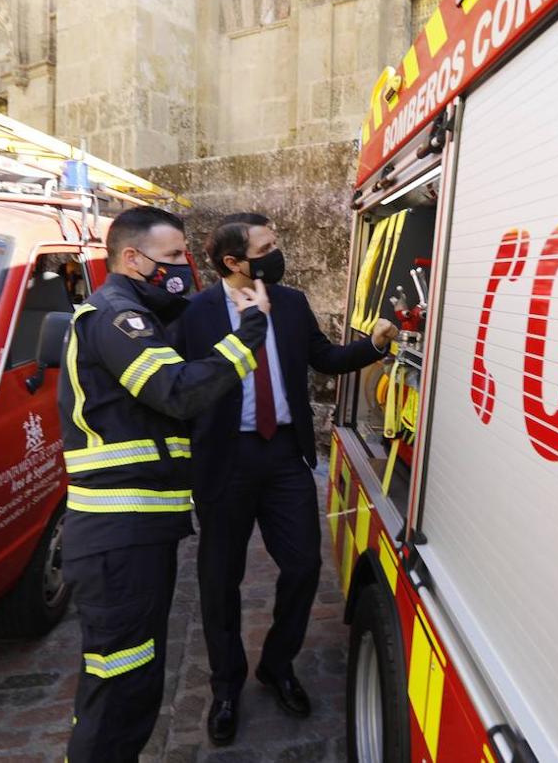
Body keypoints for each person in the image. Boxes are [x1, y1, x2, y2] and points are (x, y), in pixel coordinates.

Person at [175, 212, 398, 746]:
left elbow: (324, 358)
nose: (278, 252)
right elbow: (179, 386)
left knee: (301, 566)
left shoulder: (292, 303)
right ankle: (227, 684)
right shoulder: (196, 314)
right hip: (224, 462)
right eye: (266, 246)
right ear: (233, 262)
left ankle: (277, 665)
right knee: (219, 580)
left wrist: (376, 344)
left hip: (283, 456)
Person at [58, 206, 271, 763]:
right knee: (119, 689)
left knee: (134, 679)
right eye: (173, 256)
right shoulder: (115, 316)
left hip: (134, 533)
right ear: (132, 257)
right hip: (116, 536)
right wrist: (246, 336)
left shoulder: (137, 312)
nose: (181, 267)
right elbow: (173, 392)